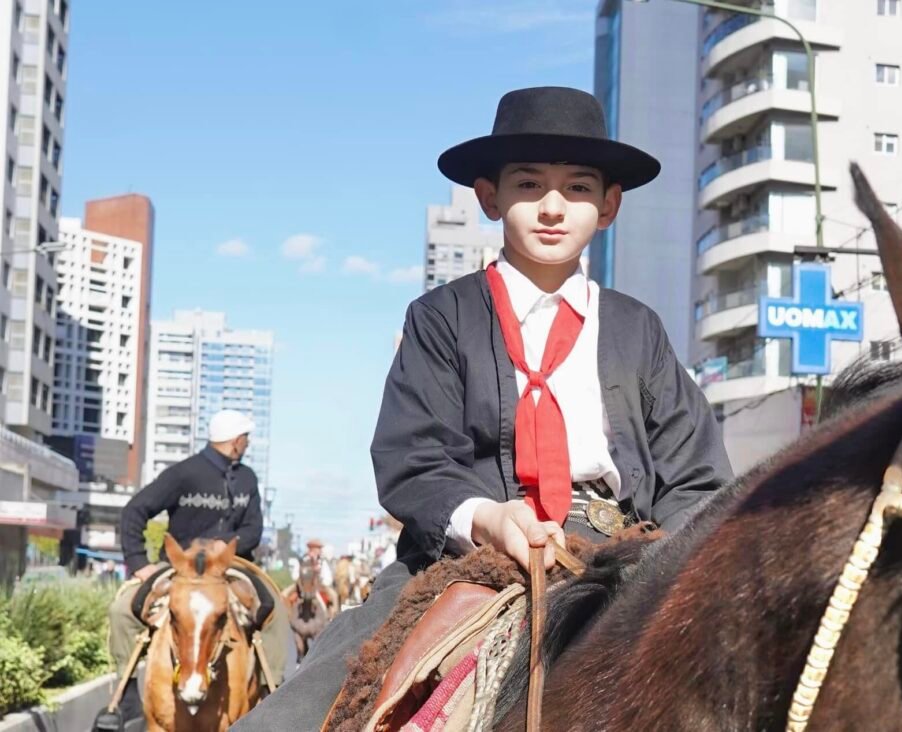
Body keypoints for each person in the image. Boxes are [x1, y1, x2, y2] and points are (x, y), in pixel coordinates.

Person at [232, 86, 733, 730]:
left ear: (609, 206)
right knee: (303, 709)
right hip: (462, 553)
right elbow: (411, 456)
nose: (553, 207)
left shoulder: (641, 330)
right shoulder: (441, 317)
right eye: (529, 185)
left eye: (579, 189)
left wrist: (665, 563)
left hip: (620, 552)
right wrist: (488, 517)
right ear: (489, 197)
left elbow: (695, 474)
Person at [106, 409, 290, 719]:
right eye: (245, 438)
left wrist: (228, 544)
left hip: (230, 566)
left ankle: (274, 698)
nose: (247, 444)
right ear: (235, 441)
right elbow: (135, 510)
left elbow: (253, 529)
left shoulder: (247, 479)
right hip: (183, 567)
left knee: (275, 611)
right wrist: (139, 563)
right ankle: (125, 697)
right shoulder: (184, 473)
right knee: (122, 610)